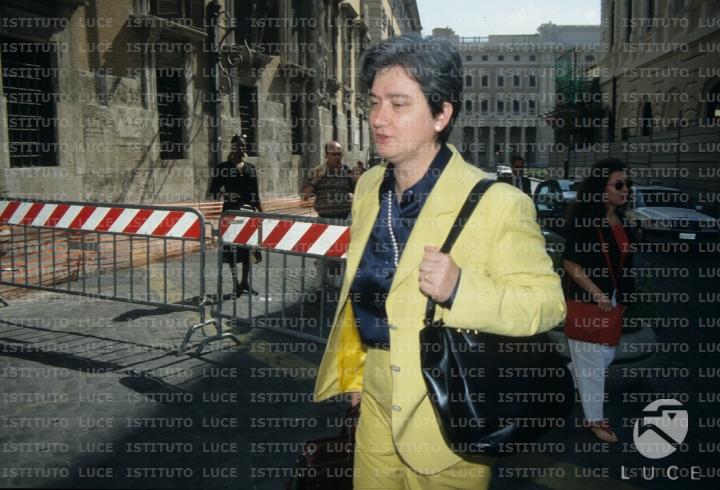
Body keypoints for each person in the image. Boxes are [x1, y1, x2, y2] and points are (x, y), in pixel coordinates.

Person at [313, 33, 566, 489]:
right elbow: (362, 296)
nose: (378, 118)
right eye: (374, 103)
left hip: (449, 417)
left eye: (398, 104)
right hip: (373, 405)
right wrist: (357, 375)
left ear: (441, 114)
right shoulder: (368, 187)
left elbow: (547, 304)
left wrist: (461, 289)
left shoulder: (498, 202)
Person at [562, 158, 635, 443]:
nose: (625, 189)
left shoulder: (622, 221)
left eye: (628, 184)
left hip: (613, 301)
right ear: (601, 188)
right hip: (588, 301)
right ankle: (595, 420)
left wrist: (624, 297)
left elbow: (625, 264)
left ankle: (549, 383)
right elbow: (570, 263)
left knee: (604, 357)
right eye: (619, 184)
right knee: (592, 367)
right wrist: (597, 293)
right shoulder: (585, 220)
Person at [208, 134, 263, 296]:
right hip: (230, 213)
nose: (241, 148)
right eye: (238, 145)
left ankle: (245, 282)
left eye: (243, 145)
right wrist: (226, 194)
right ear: (232, 147)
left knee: (248, 249)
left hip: (248, 214)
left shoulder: (251, 168)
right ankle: (235, 284)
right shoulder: (223, 167)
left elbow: (255, 195)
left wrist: (261, 213)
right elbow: (213, 191)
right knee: (231, 249)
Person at [302, 141, 355, 289]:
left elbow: (358, 191)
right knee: (321, 254)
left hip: (344, 219)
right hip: (324, 220)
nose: (338, 157)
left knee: (343, 254)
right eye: (334, 154)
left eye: (339, 154)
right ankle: (320, 284)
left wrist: (357, 181)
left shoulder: (347, 171)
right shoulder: (317, 172)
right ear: (326, 155)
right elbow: (304, 195)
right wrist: (314, 181)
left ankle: (342, 287)